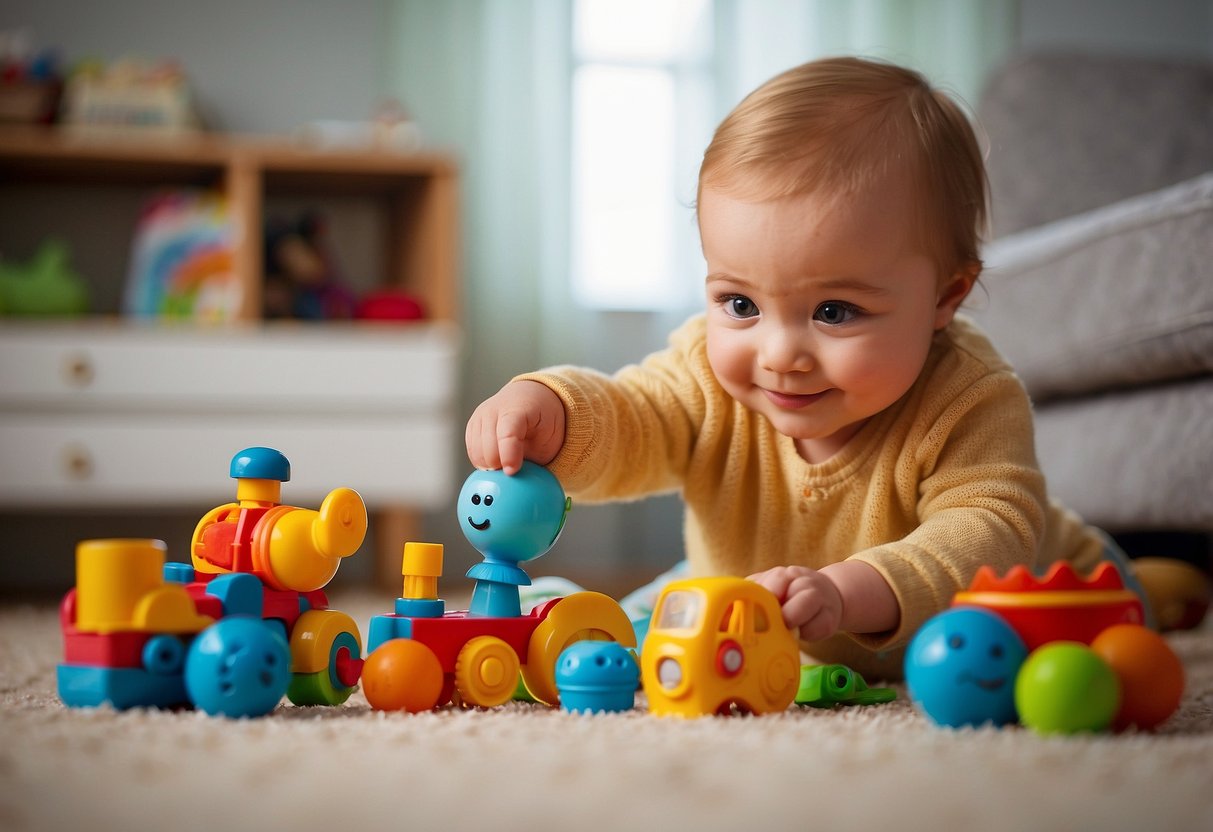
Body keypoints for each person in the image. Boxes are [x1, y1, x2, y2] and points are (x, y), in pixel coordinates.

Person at [464, 56, 1130, 680]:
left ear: (945, 297)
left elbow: (984, 537)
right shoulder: (707, 372)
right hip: (757, 597)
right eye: (740, 303)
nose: (778, 355)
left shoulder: (969, 399)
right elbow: (638, 417)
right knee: (653, 615)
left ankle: (1151, 577)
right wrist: (553, 411)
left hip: (1042, 580)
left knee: (1118, 620)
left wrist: (848, 592)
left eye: (834, 311)